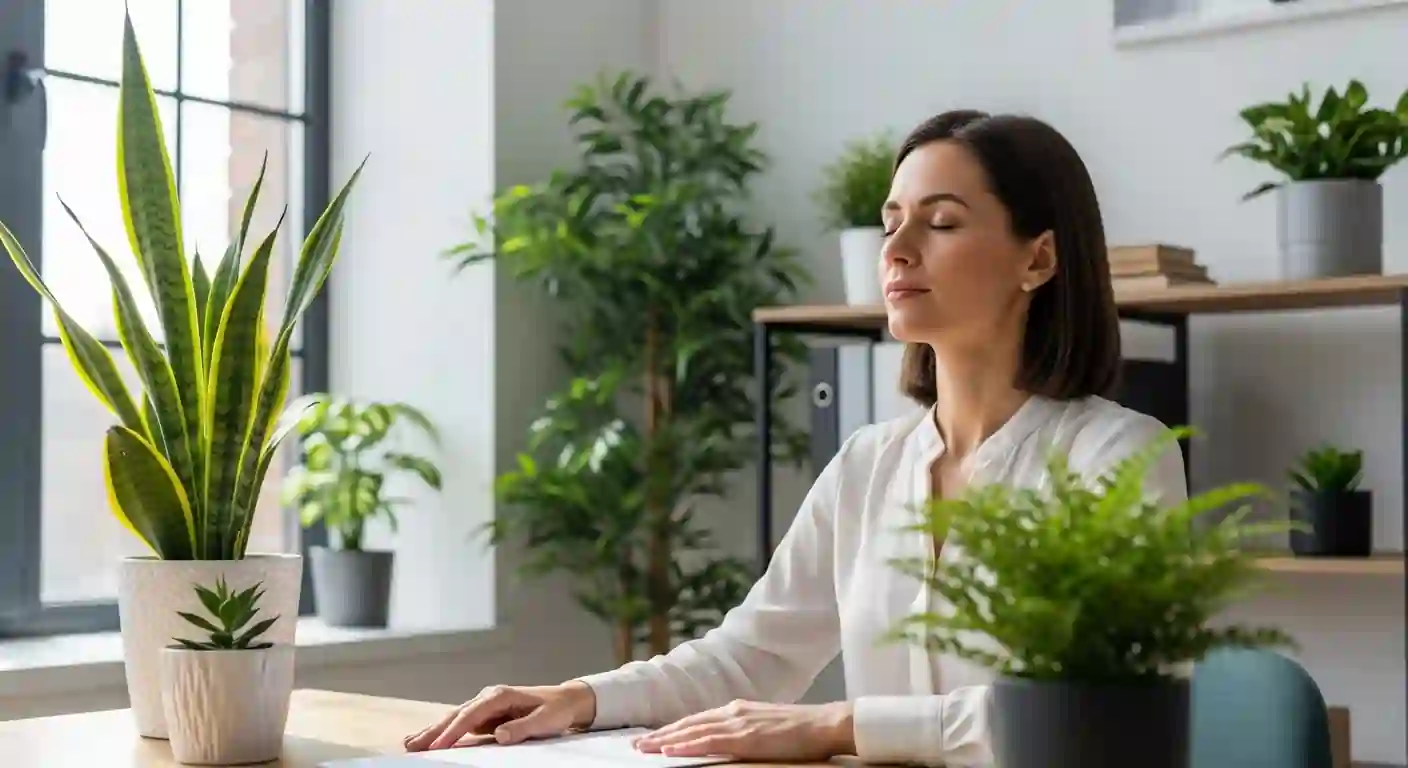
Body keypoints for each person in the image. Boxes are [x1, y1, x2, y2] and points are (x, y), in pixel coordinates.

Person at [403, 110, 1188, 766]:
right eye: (892, 222)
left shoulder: (1115, 457)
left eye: (941, 221)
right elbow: (750, 656)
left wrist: (836, 724)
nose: (898, 247)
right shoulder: (868, 466)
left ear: (1040, 258)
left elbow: (1105, 711)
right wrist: (578, 698)